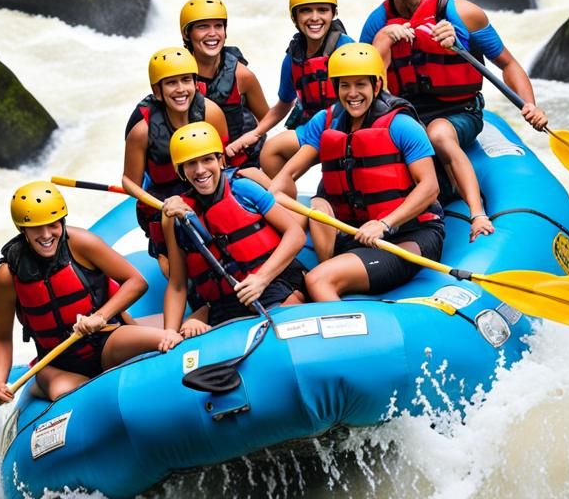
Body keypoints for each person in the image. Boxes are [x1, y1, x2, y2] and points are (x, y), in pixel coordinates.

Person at [362, 0, 549, 241]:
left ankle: (477, 214)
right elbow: (367, 87)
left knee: (438, 133)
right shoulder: (377, 23)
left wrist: (530, 105)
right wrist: (381, 44)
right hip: (406, 113)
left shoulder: (462, 13)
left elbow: (508, 63)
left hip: (458, 110)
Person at [270, 43, 444, 302]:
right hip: (356, 233)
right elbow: (287, 175)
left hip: (408, 235)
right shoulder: (326, 121)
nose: (352, 94)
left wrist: (385, 223)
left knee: (317, 279)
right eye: (345, 85)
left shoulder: (402, 125)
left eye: (360, 84)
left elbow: (430, 187)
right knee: (318, 204)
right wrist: (276, 194)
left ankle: (343, 330)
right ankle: (333, 269)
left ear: (376, 86)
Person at [0, 181, 169, 403]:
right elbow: (1, 338)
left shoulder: (82, 243)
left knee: (163, 340)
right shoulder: (8, 275)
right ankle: (39, 386)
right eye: (36, 227)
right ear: (23, 229)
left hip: (106, 340)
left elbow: (136, 282)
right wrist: (0, 382)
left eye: (53, 224)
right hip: (57, 364)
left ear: (62, 221)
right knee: (67, 396)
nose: (46, 235)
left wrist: (99, 317)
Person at [158, 122, 307, 349]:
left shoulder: (243, 189)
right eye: (191, 164)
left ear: (220, 160)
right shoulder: (175, 216)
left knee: (285, 334)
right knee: (196, 338)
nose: (200, 170)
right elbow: (178, 285)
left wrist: (261, 279)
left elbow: (295, 234)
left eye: (207, 159)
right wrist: (169, 331)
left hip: (271, 285)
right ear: (181, 171)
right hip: (224, 305)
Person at [123, 47, 229, 269]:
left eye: (186, 80)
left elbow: (223, 163)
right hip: (165, 197)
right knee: (174, 263)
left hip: (204, 184)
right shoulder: (142, 130)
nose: (181, 89)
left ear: (195, 83)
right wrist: (163, 207)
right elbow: (129, 182)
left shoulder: (211, 113)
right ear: (158, 90)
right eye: (171, 83)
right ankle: (166, 258)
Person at [238, 0, 353, 177]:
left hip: (345, 125)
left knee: (283, 159)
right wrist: (255, 133)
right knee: (270, 153)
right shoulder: (293, 58)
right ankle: (287, 203)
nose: (314, 18)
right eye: (306, 11)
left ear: (333, 14)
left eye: (322, 10)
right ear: (295, 17)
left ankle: (281, 192)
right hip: (313, 127)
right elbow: (284, 104)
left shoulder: (346, 48)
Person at [179, 0, 270, 169]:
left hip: (240, 163)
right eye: (203, 26)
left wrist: (247, 140)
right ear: (186, 34)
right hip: (197, 165)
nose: (213, 33)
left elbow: (267, 119)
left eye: (218, 26)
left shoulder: (242, 75)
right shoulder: (176, 74)